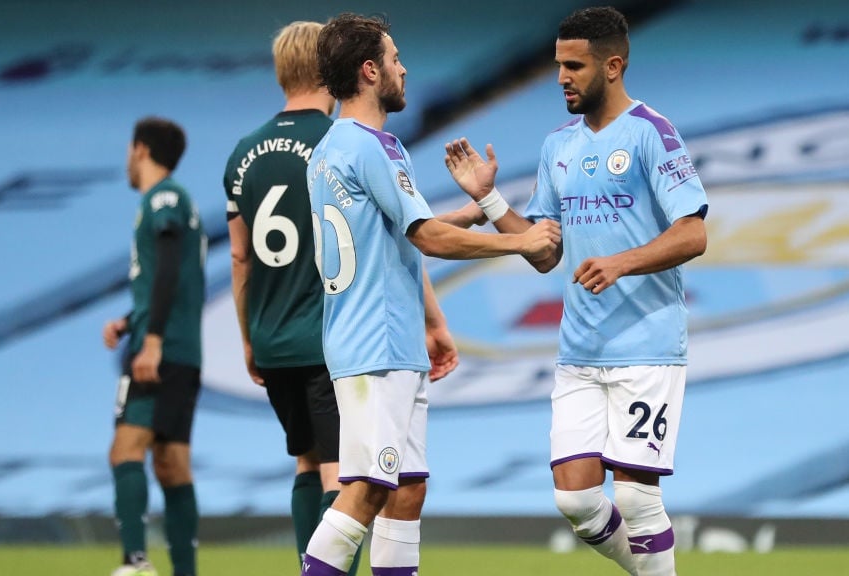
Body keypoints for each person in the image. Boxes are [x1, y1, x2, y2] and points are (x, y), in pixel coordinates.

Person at [444, 6, 708, 576]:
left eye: (574, 65)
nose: (561, 76)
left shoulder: (651, 134)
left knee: (637, 498)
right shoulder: (557, 145)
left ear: (613, 66)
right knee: (578, 502)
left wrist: (622, 263)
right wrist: (490, 203)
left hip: (647, 345)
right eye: (558, 64)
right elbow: (543, 253)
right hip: (581, 351)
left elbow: (694, 232)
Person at [300, 13, 561, 576]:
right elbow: (425, 238)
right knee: (368, 487)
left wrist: (471, 211)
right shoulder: (375, 147)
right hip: (376, 344)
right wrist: (518, 245)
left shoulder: (333, 148)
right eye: (394, 59)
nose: (403, 68)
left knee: (407, 489)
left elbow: (394, 230)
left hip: (384, 343)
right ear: (370, 72)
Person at [222, 20, 362, 575]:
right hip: (329, 338)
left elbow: (240, 260)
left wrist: (248, 340)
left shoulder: (242, 153)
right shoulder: (336, 142)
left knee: (306, 464)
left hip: (272, 336)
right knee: (342, 474)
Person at [102, 117, 206, 576]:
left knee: (125, 450)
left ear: (140, 149)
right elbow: (174, 277)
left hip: (160, 349)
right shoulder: (180, 201)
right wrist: (129, 321)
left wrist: (151, 340)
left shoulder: (162, 198)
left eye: (129, 148)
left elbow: (166, 266)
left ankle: (135, 561)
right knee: (172, 464)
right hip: (184, 349)